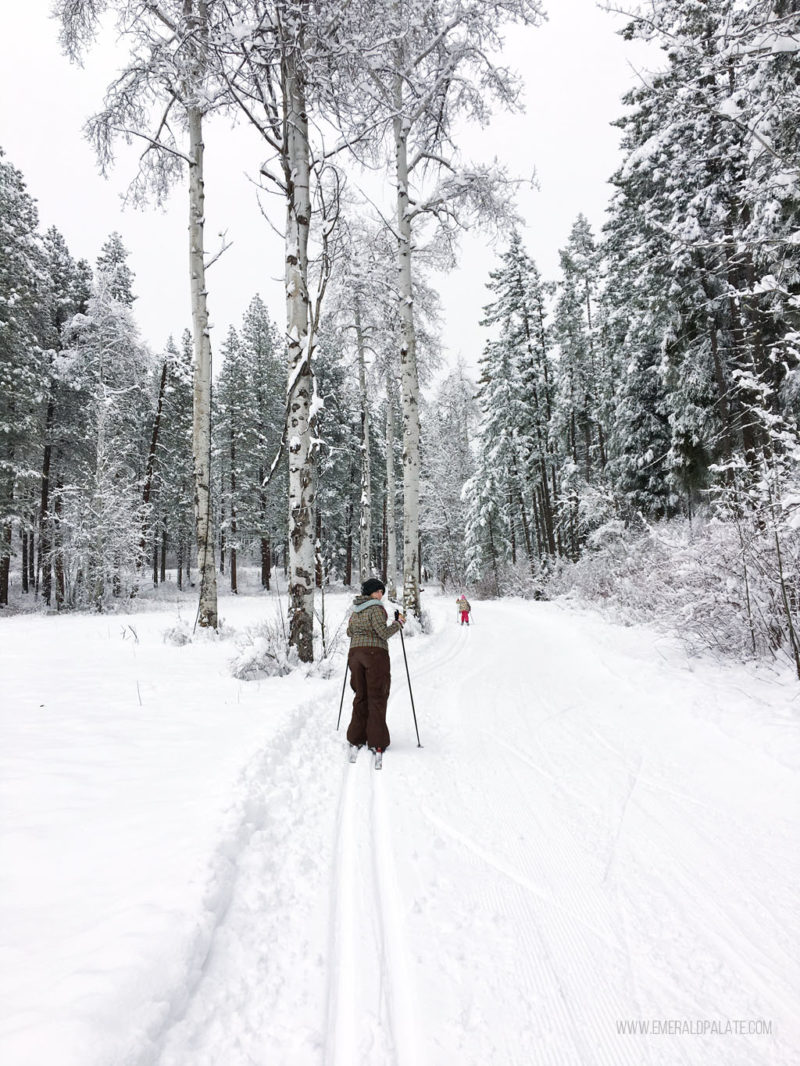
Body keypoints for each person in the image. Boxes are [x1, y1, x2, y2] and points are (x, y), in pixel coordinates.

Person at [346, 577, 405, 755]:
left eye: (382, 592)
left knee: (361, 695)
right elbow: (383, 633)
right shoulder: (376, 608)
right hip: (375, 655)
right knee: (377, 695)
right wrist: (398, 624)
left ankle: (356, 737)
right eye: (378, 591)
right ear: (371, 592)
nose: (381, 595)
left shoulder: (355, 610)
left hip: (355, 655)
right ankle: (377, 741)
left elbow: (349, 632)